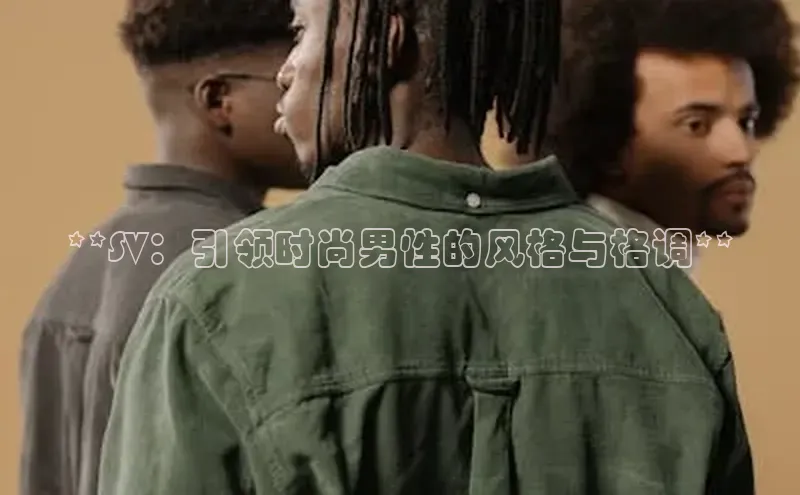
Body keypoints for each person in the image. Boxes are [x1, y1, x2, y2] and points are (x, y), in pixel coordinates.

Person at [100, 0, 752, 493]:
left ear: (386, 42)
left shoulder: (215, 297)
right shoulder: (663, 300)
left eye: (301, 31)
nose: (287, 70)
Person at [18, 2, 306, 495]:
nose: (319, 100)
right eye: (291, 80)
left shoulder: (76, 272)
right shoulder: (245, 271)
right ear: (219, 101)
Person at [550, 0, 799, 272]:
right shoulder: (584, 277)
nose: (741, 152)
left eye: (746, 122)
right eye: (696, 125)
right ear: (607, 144)